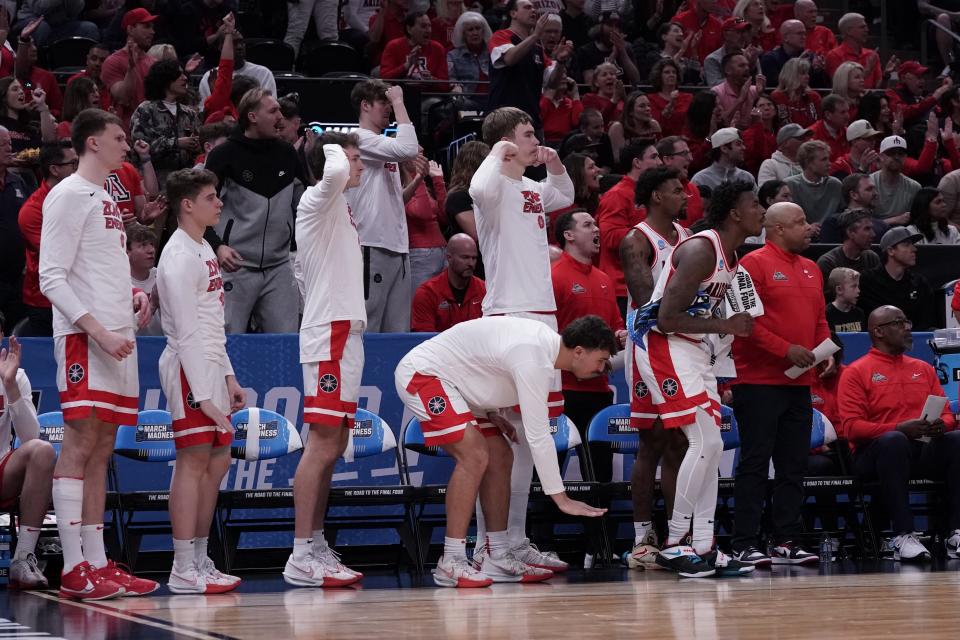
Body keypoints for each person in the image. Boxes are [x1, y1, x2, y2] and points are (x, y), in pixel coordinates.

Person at [394, 315, 610, 586]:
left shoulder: (542, 349)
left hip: (459, 387)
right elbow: (538, 436)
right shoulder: (534, 358)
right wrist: (561, 498)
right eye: (600, 360)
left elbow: (481, 363)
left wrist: (491, 412)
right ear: (579, 351)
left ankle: (496, 554)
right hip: (424, 373)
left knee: (501, 455)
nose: (602, 368)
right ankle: (451, 560)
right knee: (474, 455)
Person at [39, 108, 156, 600]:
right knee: (81, 444)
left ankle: (97, 560)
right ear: (91, 143)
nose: (126, 146)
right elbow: (52, 277)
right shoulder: (67, 195)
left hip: (116, 336)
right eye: (118, 138)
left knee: (103, 449)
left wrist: (131, 297)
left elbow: (100, 269)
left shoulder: (106, 196)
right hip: (86, 339)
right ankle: (72, 566)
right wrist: (99, 332)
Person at [632, 180, 762, 577]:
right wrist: (726, 324)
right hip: (662, 344)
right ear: (735, 213)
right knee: (704, 440)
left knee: (713, 442)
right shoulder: (701, 250)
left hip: (692, 349)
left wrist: (722, 335)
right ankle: (674, 544)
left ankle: (704, 544)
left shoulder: (730, 255)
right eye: (755, 204)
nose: (763, 210)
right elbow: (666, 319)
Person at [468, 106, 575, 573]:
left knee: (532, 438)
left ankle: (514, 540)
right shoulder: (490, 189)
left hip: (543, 320)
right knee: (501, 441)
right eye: (529, 134)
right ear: (507, 144)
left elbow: (564, 193)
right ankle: (487, 546)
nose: (537, 139)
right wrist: (498, 151)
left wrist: (553, 163)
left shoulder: (530, 189)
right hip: (509, 315)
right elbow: (477, 187)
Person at [286, 132, 367, 588]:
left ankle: (315, 543)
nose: (357, 166)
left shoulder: (340, 207)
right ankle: (300, 554)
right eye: (353, 158)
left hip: (348, 331)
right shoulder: (315, 198)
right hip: (329, 333)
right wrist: (327, 143)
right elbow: (333, 169)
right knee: (321, 444)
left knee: (335, 445)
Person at [156, 168, 243, 595]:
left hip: (209, 363)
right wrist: (204, 395)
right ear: (187, 205)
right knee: (192, 462)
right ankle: (182, 564)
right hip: (186, 366)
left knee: (218, 462)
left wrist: (228, 376)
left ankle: (201, 557)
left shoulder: (206, 247)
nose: (219, 203)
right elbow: (187, 333)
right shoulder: (175, 257)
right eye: (212, 197)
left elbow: (212, 323)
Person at [730, 202, 828, 566]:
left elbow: (819, 319)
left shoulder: (812, 268)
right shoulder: (751, 265)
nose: (808, 227)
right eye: (800, 222)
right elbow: (745, 323)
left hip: (798, 382)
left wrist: (824, 351)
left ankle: (785, 539)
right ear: (777, 229)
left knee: (793, 464)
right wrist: (787, 350)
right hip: (757, 381)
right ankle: (744, 541)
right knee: (755, 463)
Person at [838, 305, 958, 561]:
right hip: (875, 455)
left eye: (907, 321)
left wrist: (943, 425)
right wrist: (898, 428)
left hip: (920, 450)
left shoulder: (923, 368)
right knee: (894, 441)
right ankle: (902, 534)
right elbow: (852, 429)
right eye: (899, 323)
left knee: (956, 439)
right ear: (878, 331)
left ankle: (955, 533)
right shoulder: (856, 372)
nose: (908, 328)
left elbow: (947, 413)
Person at [618, 166, 691, 569]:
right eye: (677, 189)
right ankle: (643, 536)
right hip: (649, 349)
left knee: (682, 442)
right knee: (654, 441)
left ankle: (678, 535)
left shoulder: (687, 237)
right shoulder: (636, 240)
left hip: (684, 347)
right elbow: (648, 301)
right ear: (657, 197)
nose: (686, 195)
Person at [202, 89, 304, 334]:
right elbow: (198, 208)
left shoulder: (288, 154)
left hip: (279, 266)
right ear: (252, 116)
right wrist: (217, 246)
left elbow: (306, 203)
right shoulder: (224, 155)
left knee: (286, 345)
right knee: (227, 344)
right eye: (273, 111)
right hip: (235, 266)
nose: (280, 116)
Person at [551, 209, 626, 482]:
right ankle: (537, 526)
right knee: (548, 473)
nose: (596, 229)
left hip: (599, 391)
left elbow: (615, 329)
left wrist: (620, 336)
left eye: (595, 224)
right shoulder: (554, 277)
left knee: (600, 475)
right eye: (587, 225)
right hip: (563, 391)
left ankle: (599, 526)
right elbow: (545, 337)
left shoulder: (604, 280)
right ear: (568, 236)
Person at [343, 81, 419, 333]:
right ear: (365, 105)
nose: (387, 108)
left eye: (389, 103)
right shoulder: (360, 140)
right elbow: (407, 148)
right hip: (371, 244)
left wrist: (418, 179)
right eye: (382, 103)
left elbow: (396, 199)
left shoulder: (381, 146)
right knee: (370, 326)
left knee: (397, 330)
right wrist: (399, 101)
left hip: (397, 246)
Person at [0, 335, 57, 589]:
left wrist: (10, 385)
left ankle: (23, 558)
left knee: (42, 451)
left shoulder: (15, 375)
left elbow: (31, 437)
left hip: (2, 472)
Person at [596, 138, 663, 316]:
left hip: (652, 281)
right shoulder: (617, 195)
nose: (660, 162)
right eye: (654, 157)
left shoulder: (652, 194)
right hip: (623, 288)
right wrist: (653, 234)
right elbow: (610, 237)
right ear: (637, 162)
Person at [17, 141, 76, 338]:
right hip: (45, 301)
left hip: (81, 293)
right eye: (73, 164)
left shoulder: (84, 196)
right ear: (54, 169)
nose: (79, 169)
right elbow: (58, 253)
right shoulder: (32, 210)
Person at [486, 0, 573, 132]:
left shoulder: (538, 49)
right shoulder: (500, 36)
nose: (533, 10)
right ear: (513, 13)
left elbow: (552, 83)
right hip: (503, 119)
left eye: (534, 8)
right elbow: (509, 59)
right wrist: (535, 35)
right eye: (527, 7)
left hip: (531, 120)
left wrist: (560, 62)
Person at [130, 60, 203, 187]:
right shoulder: (146, 110)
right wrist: (176, 143)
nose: (185, 78)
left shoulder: (189, 113)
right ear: (165, 79)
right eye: (179, 75)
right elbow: (140, 146)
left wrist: (196, 145)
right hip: (156, 182)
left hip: (186, 183)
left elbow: (200, 145)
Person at [858, 228, 936, 331]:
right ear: (891, 251)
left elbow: (928, 320)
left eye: (912, 244)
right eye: (906, 244)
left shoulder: (919, 283)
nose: (914, 249)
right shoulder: (867, 281)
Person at [411, 233, 485, 332]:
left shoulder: (485, 290)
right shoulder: (427, 293)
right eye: (465, 257)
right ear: (449, 258)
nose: (471, 263)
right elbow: (423, 340)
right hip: (439, 347)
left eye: (474, 258)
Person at [101, 8, 158, 128]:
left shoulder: (154, 62)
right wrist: (131, 67)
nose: (152, 31)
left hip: (153, 132)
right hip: (126, 132)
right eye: (146, 26)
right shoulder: (113, 61)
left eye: (152, 27)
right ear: (130, 29)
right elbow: (123, 97)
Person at [403, 153, 447, 292]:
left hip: (442, 251)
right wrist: (418, 177)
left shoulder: (422, 186)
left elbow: (444, 217)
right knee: (419, 305)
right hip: (419, 255)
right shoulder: (399, 185)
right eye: (418, 153)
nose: (423, 154)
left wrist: (438, 181)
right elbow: (422, 213)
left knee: (441, 306)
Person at [0, 127, 30, 333]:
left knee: (16, 331)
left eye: (9, 143)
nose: (9, 148)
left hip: (17, 276)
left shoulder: (18, 182)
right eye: (3, 144)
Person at [198, 31, 277, 106]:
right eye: (234, 43)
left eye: (241, 42)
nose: (239, 47)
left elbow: (270, 107)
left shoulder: (263, 73)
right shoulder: (210, 77)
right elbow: (204, 110)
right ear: (221, 47)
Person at [380, 11, 450, 89]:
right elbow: (384, 79)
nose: (428, 30)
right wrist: (406, 66)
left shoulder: (438, 48)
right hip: (400, 96)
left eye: (429, 26)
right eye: (423, 26)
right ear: (409, 29)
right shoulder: (393, 46)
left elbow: (445, 84)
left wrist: (432, 80)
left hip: (429, 96)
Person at [784, 140, 843, 231]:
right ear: (809, 163)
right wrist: (806, 228)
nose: (829, 164)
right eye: (824, 159)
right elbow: (785, 219)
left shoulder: (835, 185)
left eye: (828, 159)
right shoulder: (790, 185)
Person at [816, 209, 881, 280]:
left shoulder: (871, 258)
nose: (873, 234)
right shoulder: (828, 263)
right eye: (867, 229)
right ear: (850, 233)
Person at [825, 13, 884, 89]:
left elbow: (878, 88)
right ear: (849, 31)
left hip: (870, 99)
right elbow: (840, 87)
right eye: (862, 27)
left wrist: (886, 76)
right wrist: (867, 71)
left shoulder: (872, 55)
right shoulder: (834, 55)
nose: (867, 30)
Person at [870, 136, 920, 224]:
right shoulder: (869, 183)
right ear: (881, 156)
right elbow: (860, 222)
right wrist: (893, 220)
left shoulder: (914, 187)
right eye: (891, 153)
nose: (896, 157)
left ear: (905, 157)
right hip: (872, 234)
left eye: (900, 154)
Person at [887, 62, 952, 128]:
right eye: (918, 77)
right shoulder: (893, 93)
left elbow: (940, 112)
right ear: (903, 78)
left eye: (923, 77)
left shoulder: (925, 95)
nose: (922, 81)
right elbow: (902, 113)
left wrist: (946, 93)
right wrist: (933, 98)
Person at [658, 136, 705, 227]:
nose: (690, 158)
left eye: (689, 153)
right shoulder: (655, 192)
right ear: (668, 159)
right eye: (684, 154)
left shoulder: (693, 189)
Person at [0, 77, 55, 153]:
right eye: (15, 89)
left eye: (21, 89)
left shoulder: (31, 126)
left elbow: (50, 143)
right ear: (3, 97)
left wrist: (43, 107)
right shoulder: (1, 125)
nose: (21, 92)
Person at [691, 127, 757, 191]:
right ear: (724, 148)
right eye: (738, 144)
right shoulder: (701, 179)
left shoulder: (747, 178)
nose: (744, 148)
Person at [447, 12, 492, 96]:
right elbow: (451, 78)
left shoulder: (493, 52)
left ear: (483, 31)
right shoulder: (453, 56)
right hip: (467, 98)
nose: (475, 33)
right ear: (463, 34)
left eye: (478, 28)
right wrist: (457, 86)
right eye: (470, 30)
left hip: (492, 98)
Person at [712, 53, 763, 127]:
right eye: (741, 66)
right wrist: (741, 99)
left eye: (747, 65)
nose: (747, 68)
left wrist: (761, 94)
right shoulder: (716, 92)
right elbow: (721, 122)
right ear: (728, 70)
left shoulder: (754, 90)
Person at [609, 92, 661, 163]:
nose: (648, 109)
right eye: (642, 106)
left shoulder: (654, 125)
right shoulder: (618, 127)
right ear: (630, 111)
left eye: (649, 105)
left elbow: (660, 152)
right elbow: (618, 159)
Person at [648, 59, 693, 138]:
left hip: (685, 139)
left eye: (674, 72)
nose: (671, 75)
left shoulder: (688, 97)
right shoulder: (651, 99)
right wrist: (671, 104)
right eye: (667, 72)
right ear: (659, 76)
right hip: (662, 141)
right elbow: (656, 124)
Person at [703, 16, 753, 88]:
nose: (743, 36)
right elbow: (714, 86)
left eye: (744, 32)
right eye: (738, 32)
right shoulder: (713, 59)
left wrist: (751, 66)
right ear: (726, 34)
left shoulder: (750, 56)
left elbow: (758, 84)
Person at [771, 57, 821, 128]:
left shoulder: (814, 97)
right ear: (791, 75)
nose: (807, 76)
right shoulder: (777, 97)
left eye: (807, 73)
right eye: (803, 73)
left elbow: (820, 123)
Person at [760, 19, 807, 88]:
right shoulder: (770, 59)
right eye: (799, 34)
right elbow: (776, 86)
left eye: (804, 34)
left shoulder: (809, 57)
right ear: (785, 38)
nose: (803, 37)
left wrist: (817, 71)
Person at [67, 43, 112, 115]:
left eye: (102, 60)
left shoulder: (112, 83)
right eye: (94, 59)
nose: (97, 63)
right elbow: (70, 111)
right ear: (87, 60)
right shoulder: (75, 81)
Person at [808, 95, 851, 162]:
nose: (847, 116)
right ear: (828, 115)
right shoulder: (812, 135)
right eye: (842, 112)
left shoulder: (848, 132)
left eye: (847, 111)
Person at [825, 267, 865, 332]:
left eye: (858, 286)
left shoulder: (859, 313)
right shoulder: (827, 314)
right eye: (854, 286)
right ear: (839, 289)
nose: (858, 291)